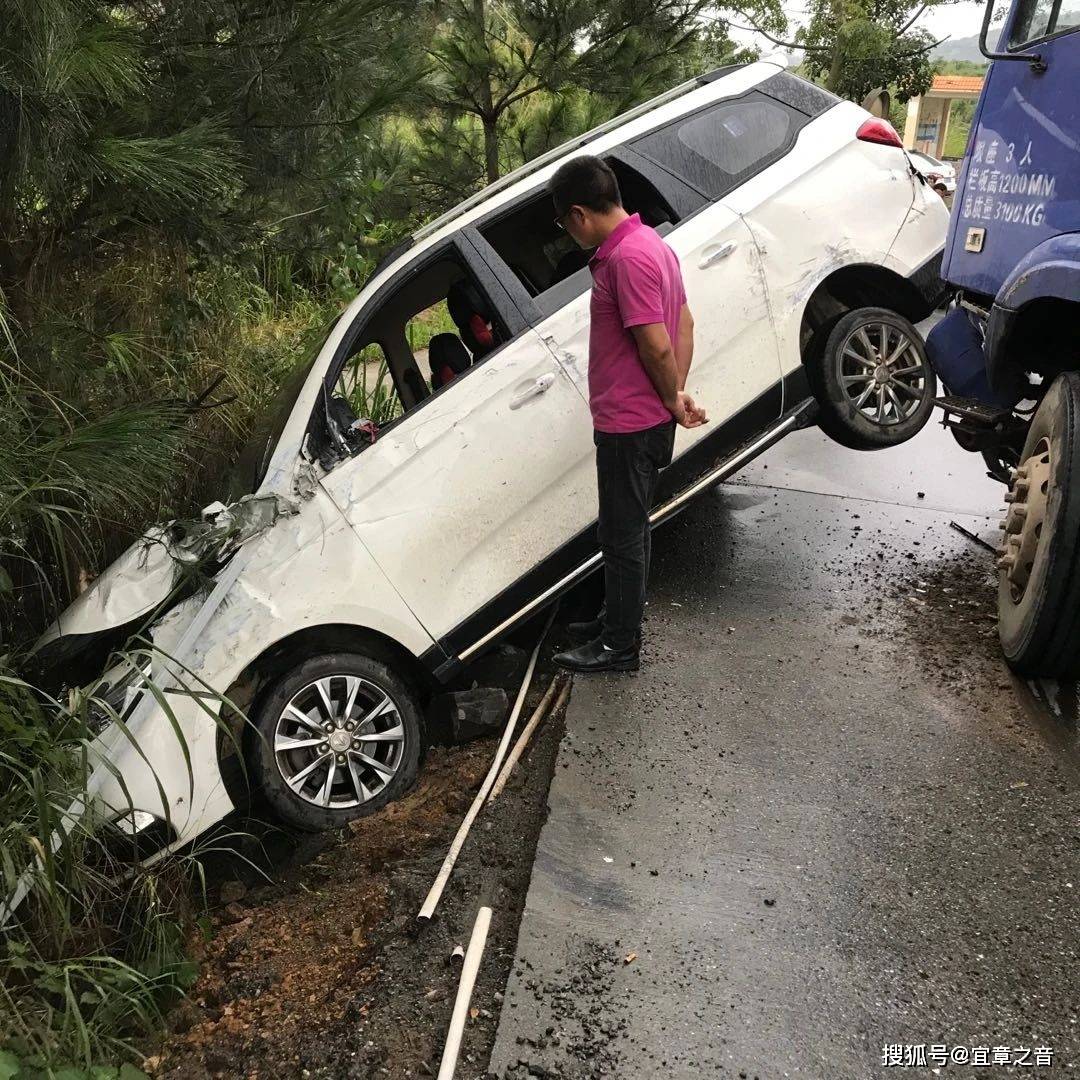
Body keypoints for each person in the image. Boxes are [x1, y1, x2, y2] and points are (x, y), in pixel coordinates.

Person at [549, 155, 706, 675]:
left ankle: (620, 646)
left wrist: (668, 399)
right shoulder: (653, 246)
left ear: (578, 215)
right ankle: (615, 620)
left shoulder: (625, 260)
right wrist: (676, 394)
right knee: (629, 530)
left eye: (563, 225)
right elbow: (683, 322)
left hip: (630, 424)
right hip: (645, 417)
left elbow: (657, 345)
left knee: (621, 537)